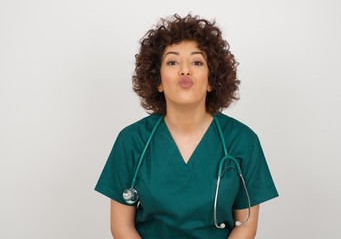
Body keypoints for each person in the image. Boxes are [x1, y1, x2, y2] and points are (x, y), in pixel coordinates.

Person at [95, 14, 278, 239]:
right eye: (172, 62)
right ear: (158, 81)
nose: (185, 70)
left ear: (212, 81)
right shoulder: (132, 141)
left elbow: (245, 225)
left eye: (197, 62)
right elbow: (122, 227)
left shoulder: (242, 141)